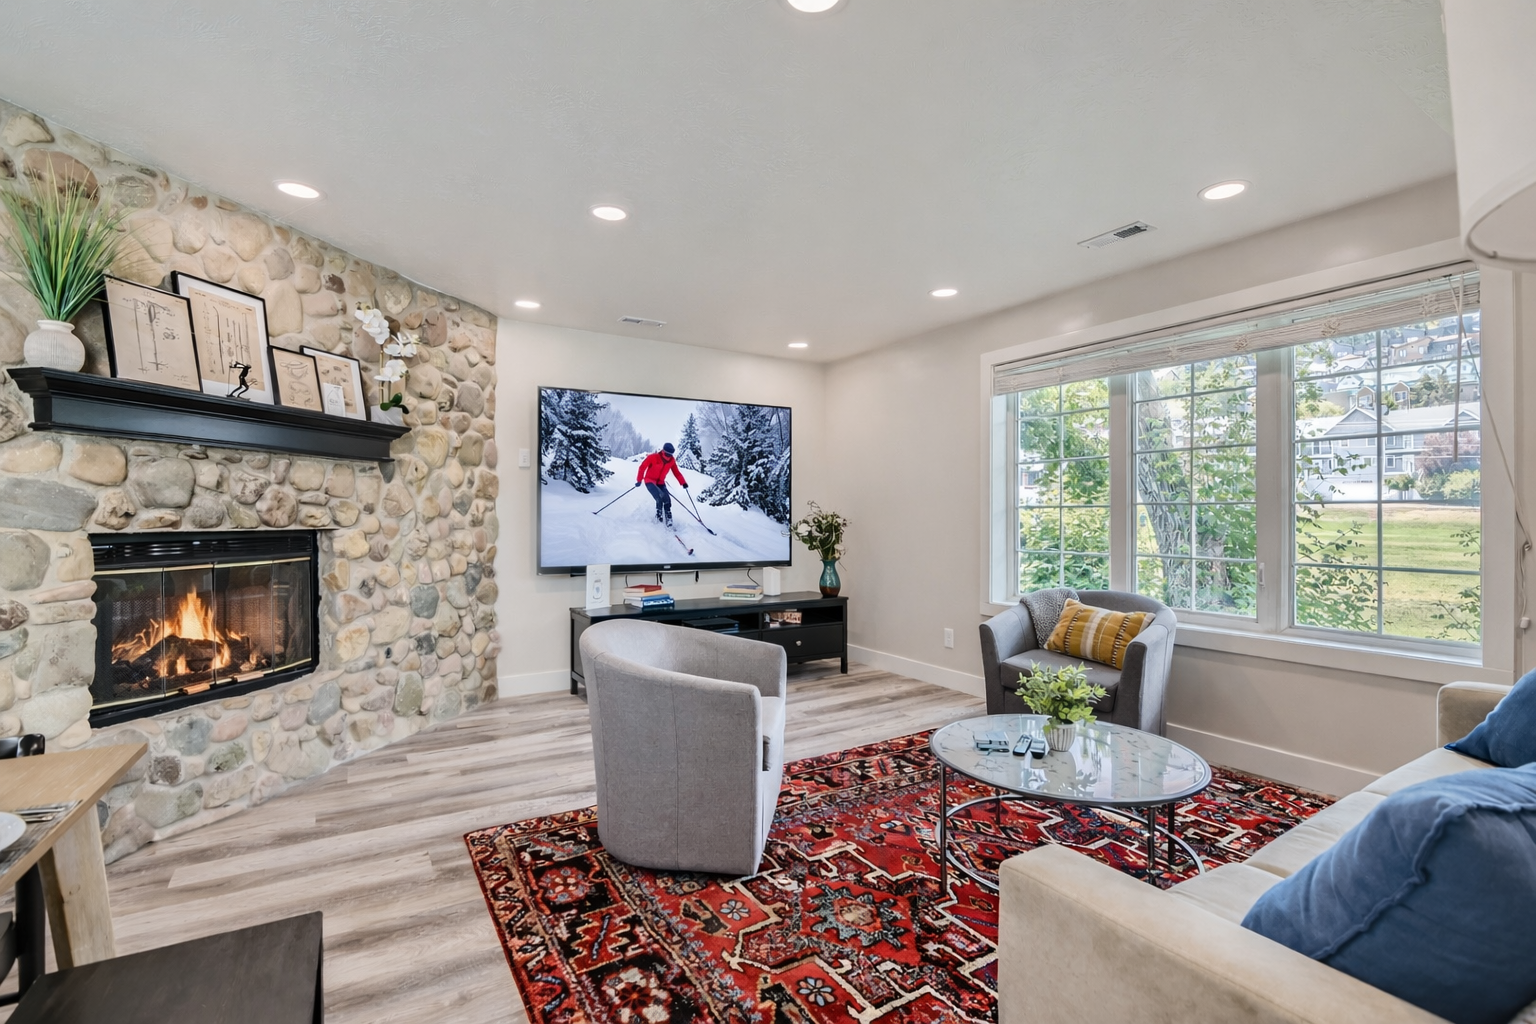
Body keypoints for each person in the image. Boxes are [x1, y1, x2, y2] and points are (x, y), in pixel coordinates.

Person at [635, 442, 688, 527]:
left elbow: (676, 472)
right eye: (667, 454)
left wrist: (683, 483)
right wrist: (639, 480)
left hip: (660, 482)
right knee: (659, 497)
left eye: (670, 455)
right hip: (649, 480)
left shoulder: (671, 461)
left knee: (667, 498)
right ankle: (659, 516)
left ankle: (668, 516)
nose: (668, 456)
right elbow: (642, 467)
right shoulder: (653, 457)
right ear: (663, 451)